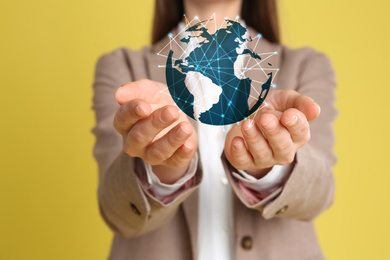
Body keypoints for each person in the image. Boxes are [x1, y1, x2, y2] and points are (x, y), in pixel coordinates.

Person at [92, 0, 337, 259]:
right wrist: (164, 166)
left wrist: (265, 164)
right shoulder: (123, 66)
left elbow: (319, 195)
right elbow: (117, 212)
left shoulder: (305, 65)